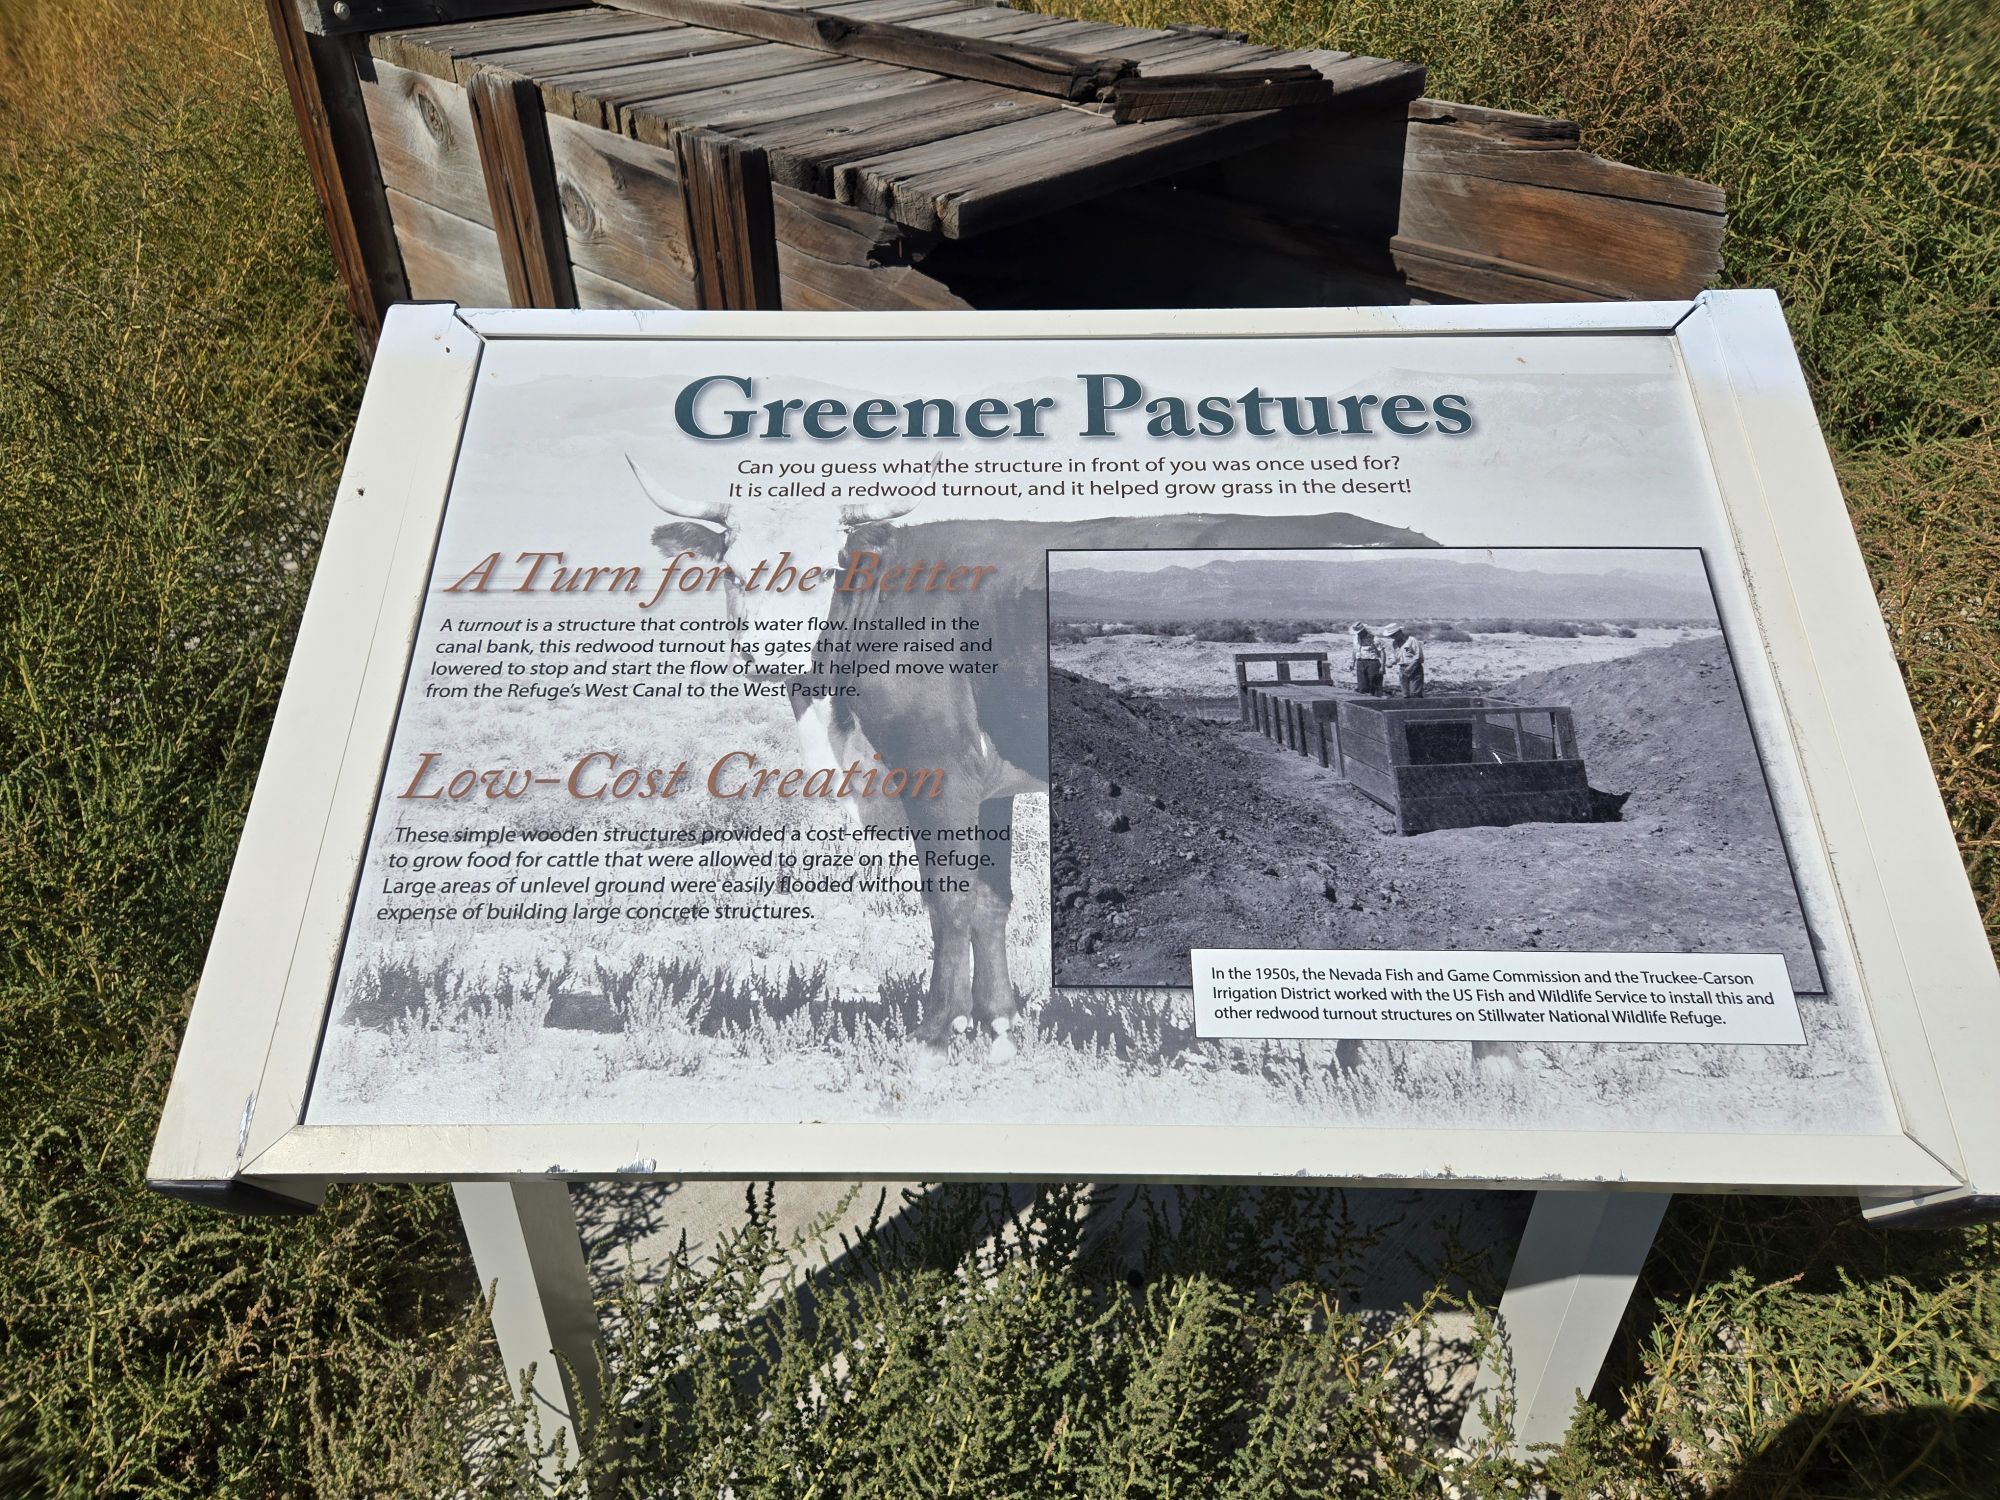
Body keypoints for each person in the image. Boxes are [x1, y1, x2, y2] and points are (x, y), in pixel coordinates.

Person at [1387, 624, 1425, 698]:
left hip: (1414, 667)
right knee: (1405, 693)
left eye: (1394, 635)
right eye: (1391, 636)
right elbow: (1395, 655)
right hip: (1402, 668)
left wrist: (1411, 666)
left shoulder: (1412, 640)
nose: (1393, 637)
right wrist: (1391, 662)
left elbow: (1418, 655)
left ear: (1399, 632)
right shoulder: (1394, 643)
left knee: (1415, 692)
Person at [1350, 621, 1383, 695]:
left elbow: (1382, 652)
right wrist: (1352, 662)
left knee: (1373, 684)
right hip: (1360, 662)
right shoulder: (1355, 638)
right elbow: (1354, 650)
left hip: (1372, 662)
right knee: (1362, 685)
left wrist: (1382, 666)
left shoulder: (1374, 638)